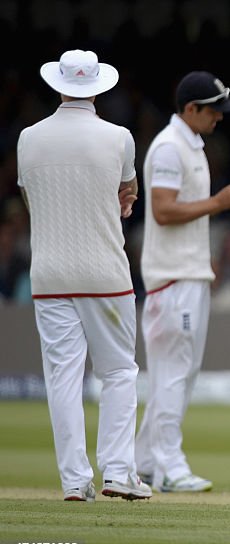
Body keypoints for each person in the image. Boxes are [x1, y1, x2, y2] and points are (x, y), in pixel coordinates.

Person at [17, 49, 151, 501]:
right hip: (104, 274)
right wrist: (122, 203)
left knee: (62, 378)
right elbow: (126, 190)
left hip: (50, 274)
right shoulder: (119, 137)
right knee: (118, 372)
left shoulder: (28, 138)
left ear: (59, 85)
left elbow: (37, 202)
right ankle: (118, 472)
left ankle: (75, 481)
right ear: (97, 87)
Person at [135, 71, 230, 493]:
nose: (219, 118)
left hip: (186, 275)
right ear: (191, 109)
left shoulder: (189, 145)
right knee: (173, 374)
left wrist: (217, 210)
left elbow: (181, 213)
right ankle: (171, 465)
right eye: (213, 111)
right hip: (173, 280)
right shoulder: (170, 148)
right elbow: (164, 211)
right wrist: (219, 203)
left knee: (179, 374)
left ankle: (146, 463)